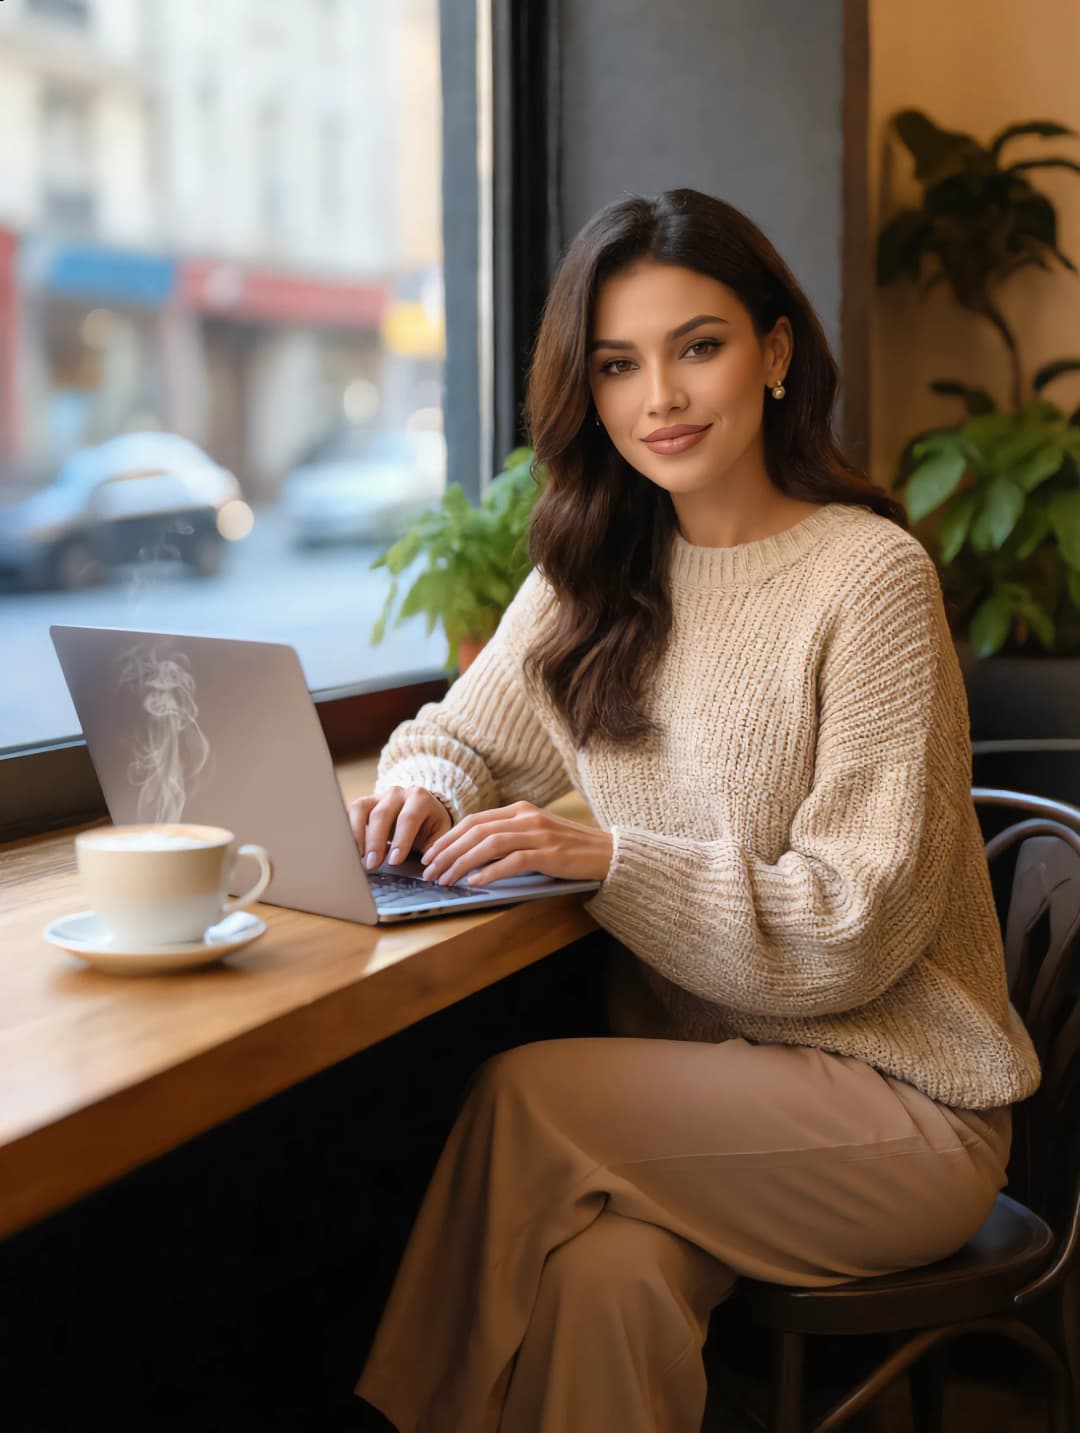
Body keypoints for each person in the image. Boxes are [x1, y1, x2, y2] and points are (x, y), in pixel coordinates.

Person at [347, 187, 1041, 1433]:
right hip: (699, 1109)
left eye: (698, 346)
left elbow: (856, 925)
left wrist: (613, 858)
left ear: (776, 354)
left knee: (522, 1096)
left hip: (901, 1114)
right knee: (603, 1282)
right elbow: (459, 732)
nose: (658, 397)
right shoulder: (591, 575)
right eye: (618, 364)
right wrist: (420, 793)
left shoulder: (868, 576)